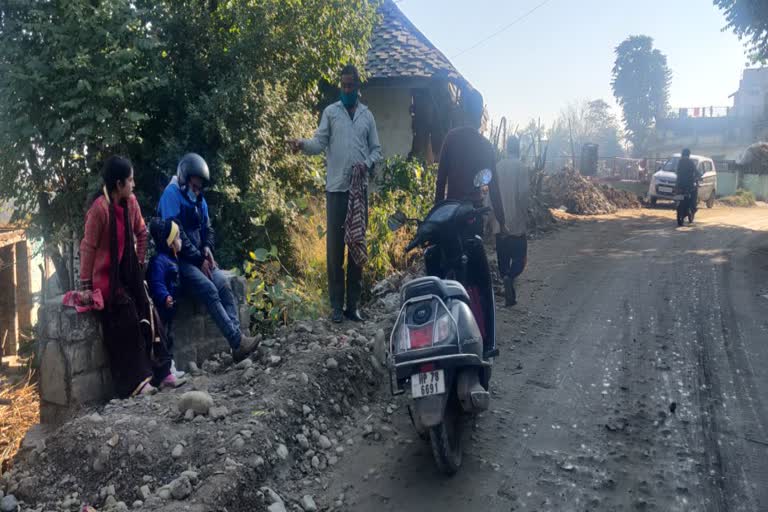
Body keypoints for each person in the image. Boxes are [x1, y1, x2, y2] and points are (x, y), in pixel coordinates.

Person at [289, 64, 382, 324]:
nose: (347, 89)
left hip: (358, 192)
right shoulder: (331, 112)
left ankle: (353, 306)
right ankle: (335, 308)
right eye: (343, 85)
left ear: (358, 87)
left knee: (356, 248)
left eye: (351, 85)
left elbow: (377, 150)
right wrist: (302, 144)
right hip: (336, 191)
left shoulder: (367, 116)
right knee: (334, 251)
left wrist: (368, 163)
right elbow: (319, 142)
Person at [79, 156, 171, 397]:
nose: (133, 185)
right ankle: (137, 382)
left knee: (148, 307)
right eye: (130, 180)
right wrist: (86, 286)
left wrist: (138, 265)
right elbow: (88, 247)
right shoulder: (99, 210)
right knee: (127, 315)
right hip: (106, 281)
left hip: (127, 273)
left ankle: (163, 372)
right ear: (118, 184)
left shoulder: (131, 203)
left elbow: (142, 232)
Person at [157, 153, 258, 362]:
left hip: (199, 258)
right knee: (210, 289)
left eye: (199, 188)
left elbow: (208, 229)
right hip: (179, 261)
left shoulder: (199, 200)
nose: (196, 191)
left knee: (223, 284)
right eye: (194, 186)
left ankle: (238, 341)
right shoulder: (171, 195)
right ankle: (237, 341)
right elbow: (176, 234)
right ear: (184, 180)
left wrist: (206, 248)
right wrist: (198, 259)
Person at [434, 88, 506, 232]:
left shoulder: (451, 138)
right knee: (477, 253)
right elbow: (494, 189)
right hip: (474, 216)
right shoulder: (486, 146)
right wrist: (502, 222)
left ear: (464, 111)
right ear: (480, 113)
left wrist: (438, 219)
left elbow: (440, 183)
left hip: (452, 215)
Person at [493, 136, 529, 306]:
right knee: (520, 259)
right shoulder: (521, 167)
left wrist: (489, 220)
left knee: (503, 259)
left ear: (507, 149)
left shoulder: (497, 167)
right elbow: (523, 195)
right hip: (516, 224)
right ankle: (510, 277)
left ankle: (507, 283)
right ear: (518, 148)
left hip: (499, 224)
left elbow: (490, 196)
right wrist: (525, 214)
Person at [147, 218, 183, 382]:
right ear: (170, 242)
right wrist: (165, 297)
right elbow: (157, 283)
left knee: (171, 337)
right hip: (162, 307)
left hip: (171, 308)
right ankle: (167, 370)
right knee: (163, 339)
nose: (180, 241)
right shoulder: (159, 261)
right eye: (177, 237)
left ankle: (171, 367)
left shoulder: (171, 258)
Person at [676, 148, 698, 220]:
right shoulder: (690, 162)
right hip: (689, 184)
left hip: (679, 184)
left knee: (677, 193)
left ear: (682, 154)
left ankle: (677, 204)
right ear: (689, 154)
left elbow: (677, 171)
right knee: (694, 193)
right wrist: (700, 176)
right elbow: (696, 171)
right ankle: (693, 208)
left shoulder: (680, 162)